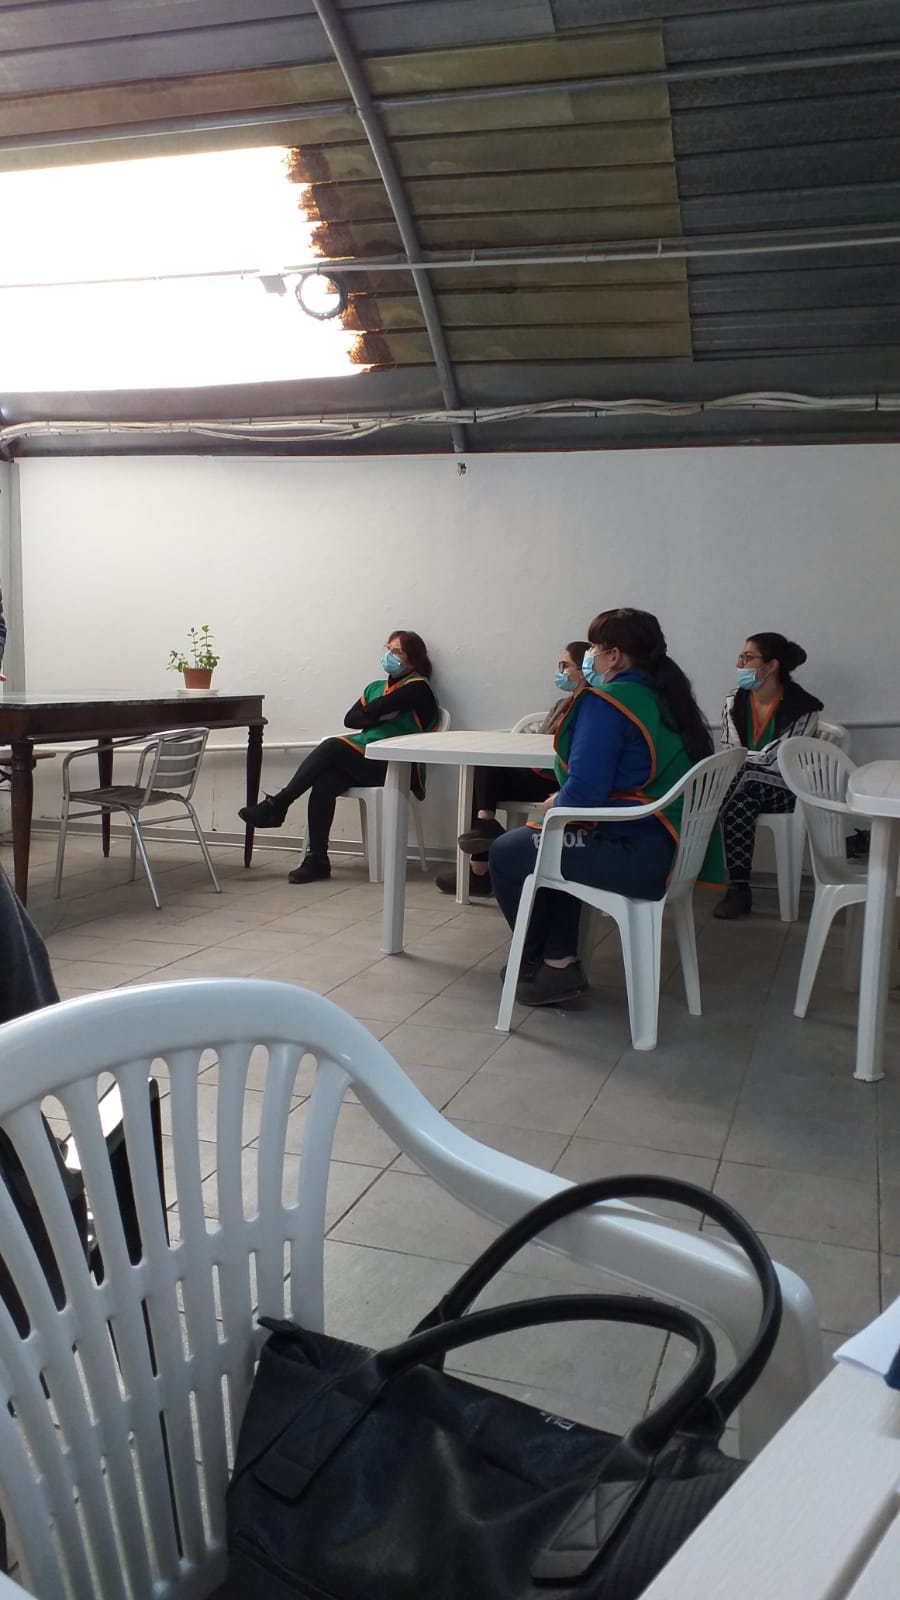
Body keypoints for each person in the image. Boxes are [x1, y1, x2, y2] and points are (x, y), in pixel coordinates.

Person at [488, 608, 714, 1007]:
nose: (589, 654)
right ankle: (557, 961)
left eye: (594, 646)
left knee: (508, 851)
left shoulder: (608, 702)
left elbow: (584, 794)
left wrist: (556, 803)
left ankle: (536, 960)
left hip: (633, 854)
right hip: (669, 848)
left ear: (615, 655)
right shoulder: (667, 698)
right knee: (555, 842)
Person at [239, 630, 439, 884]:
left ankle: (278, 804)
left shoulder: (419, 687)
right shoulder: (375, 687)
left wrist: (372, 713)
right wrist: (378, 716)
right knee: (325, 782)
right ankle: (317, 859)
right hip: (365, 760)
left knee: (332, 746)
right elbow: (350, 719)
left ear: (413, 658)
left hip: (397, 767)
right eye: (388, 649)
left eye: (396, 651)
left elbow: (375, 707)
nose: (389, 655)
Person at [435, 640, 591, 899]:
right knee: (481, 763)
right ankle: (485, 826)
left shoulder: (592, 708)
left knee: (485, 771)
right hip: (538, 772)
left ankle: (480, 867)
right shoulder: (561, 705)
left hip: (560, 780)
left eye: (565, 666)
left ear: (583, 670)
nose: (560, 671)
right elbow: (538, 743)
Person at [715, 632, 822, 920]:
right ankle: (739, 888)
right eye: (740, 657)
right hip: (743, 789)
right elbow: (730, 750)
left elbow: (777, 761)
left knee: (743, 776)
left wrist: (740, 764)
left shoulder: (804, 709)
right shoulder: (734, 702)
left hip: (787, 788)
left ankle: (701, 825)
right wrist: (739, 764)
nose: (740, 664)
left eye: (747, 657)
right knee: (740, 798)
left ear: (771, 665)